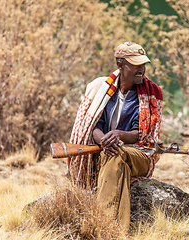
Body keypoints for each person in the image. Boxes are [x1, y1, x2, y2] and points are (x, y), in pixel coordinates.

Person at [67, 42, 163, 230]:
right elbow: (94, 126)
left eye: (143, 65)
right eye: (136, 64)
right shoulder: (100, 89)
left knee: (116, 155)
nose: (141, 69)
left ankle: (100, 226)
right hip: (107, 152)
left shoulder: (151, 93)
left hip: (140, 154)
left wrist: (118, 135)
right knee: (117, 163)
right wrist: (103, 140)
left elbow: (141, 134)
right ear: (120, 65)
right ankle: (118, 231)